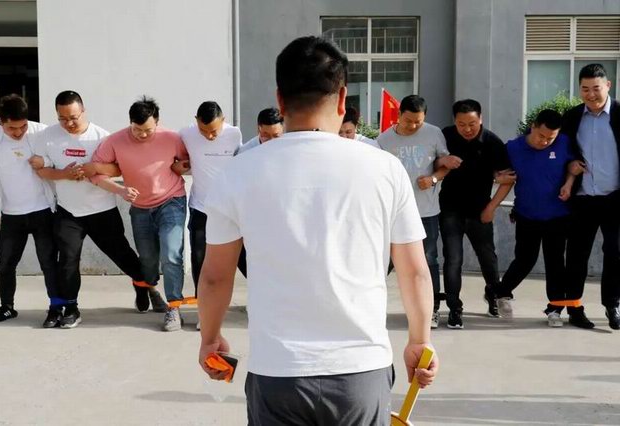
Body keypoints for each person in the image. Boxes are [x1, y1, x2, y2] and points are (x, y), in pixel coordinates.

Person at [197, 36, 438, 425]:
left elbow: (214, 276)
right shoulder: (385, 169)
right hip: (361, 371)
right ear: (342, 99)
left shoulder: (238, 172)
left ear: (280, 100)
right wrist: (420, 340)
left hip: (277, 371)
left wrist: (210, 338)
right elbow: (414, 271)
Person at [34, 91, 166, 329]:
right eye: (62, 118)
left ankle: (142, 284)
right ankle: (71, 308)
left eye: (73, 117)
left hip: (102, 210)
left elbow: (118, 169)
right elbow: (42, 170)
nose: (68, 123)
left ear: (83, 111)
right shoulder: (48, 136)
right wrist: (65, 174)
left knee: (122, 255)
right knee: (68, 260)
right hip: (68, 211)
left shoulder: (102, 137)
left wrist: (92, 168)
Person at [89, 96, 188, 332]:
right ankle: (149, 287)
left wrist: (181, 166)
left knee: (171, 254)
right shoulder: (114, 141)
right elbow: (95, 173)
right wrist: (121, 190)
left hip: (171, 201)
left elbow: (188, 160)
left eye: (148, 130)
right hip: (140, 208)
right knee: (148, 260)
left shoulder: (172, 138)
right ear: (130, 123)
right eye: (137, 129)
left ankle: (174, 307)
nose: (142, 135)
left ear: (157, 122)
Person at [378, 94, 462, 329]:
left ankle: (431, 308)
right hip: (393, 213)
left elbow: (444, 164)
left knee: (428, 259)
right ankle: (370, 306)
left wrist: (433, 179)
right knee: (383, 261)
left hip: (426, 211)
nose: (414, 126)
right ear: (398, 115)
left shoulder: (434, 133)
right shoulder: (383, 140)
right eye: (409, 121)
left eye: (418, 121)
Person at [0, 94, 58, 327]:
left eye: (22, 126)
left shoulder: (41, 132)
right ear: (1, 122)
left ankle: (56, 307)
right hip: (11, 213)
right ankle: (7, 307)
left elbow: (56, 161)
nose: (18, 132)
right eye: (12, 128)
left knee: (49, 262)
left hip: (43, 210)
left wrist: (44, 161)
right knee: (5, 263)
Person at [494, 109, 575, 327]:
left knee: (555, 262)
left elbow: (572, 166)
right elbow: (498, 173)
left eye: (551, 138)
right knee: (525, 260)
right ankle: (500, 292)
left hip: (557, 215)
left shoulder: (564, 143)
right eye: (541, 136)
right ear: (533, 127)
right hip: (527, 215)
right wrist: (496, 178)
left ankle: (555, 309)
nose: (545, 142)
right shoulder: (513, 148)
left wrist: (569, 182)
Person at [439, 99, 514, 329]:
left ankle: (493, 295)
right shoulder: (445, 136)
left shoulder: (492, 142)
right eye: (461, 124)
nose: (467, 129)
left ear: (480, 118)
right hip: (450, 209)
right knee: (453, 259)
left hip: (480, 210)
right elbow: (432, 163)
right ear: (454, 121)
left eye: (472, 123)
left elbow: (508, 180)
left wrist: (491, 207)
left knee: (487, 257)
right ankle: (454, 308)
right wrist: (443, 160)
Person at [175, 101, 247, 330]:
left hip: (231, 209)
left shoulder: (234, 134)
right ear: (196, 121)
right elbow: (177, 159)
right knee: (200, 261)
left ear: (223, 121)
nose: (209, 136)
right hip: (201, 208)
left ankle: (261, 301)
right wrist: (179, 166)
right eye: (203, 131)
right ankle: (204, 312)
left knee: (245, 258)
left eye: (214, 131)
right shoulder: (186, 134)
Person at [562, 63, 620, 330]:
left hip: (615, 197)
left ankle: (613, 304)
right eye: (585, 89)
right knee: (576, 254)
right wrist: (570, 165)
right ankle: (574, 308)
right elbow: (562, 151)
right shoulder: (572, 117)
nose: (591, 94)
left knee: (616, 252)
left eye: (596, 88)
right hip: (583, 198)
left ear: (608, 85)